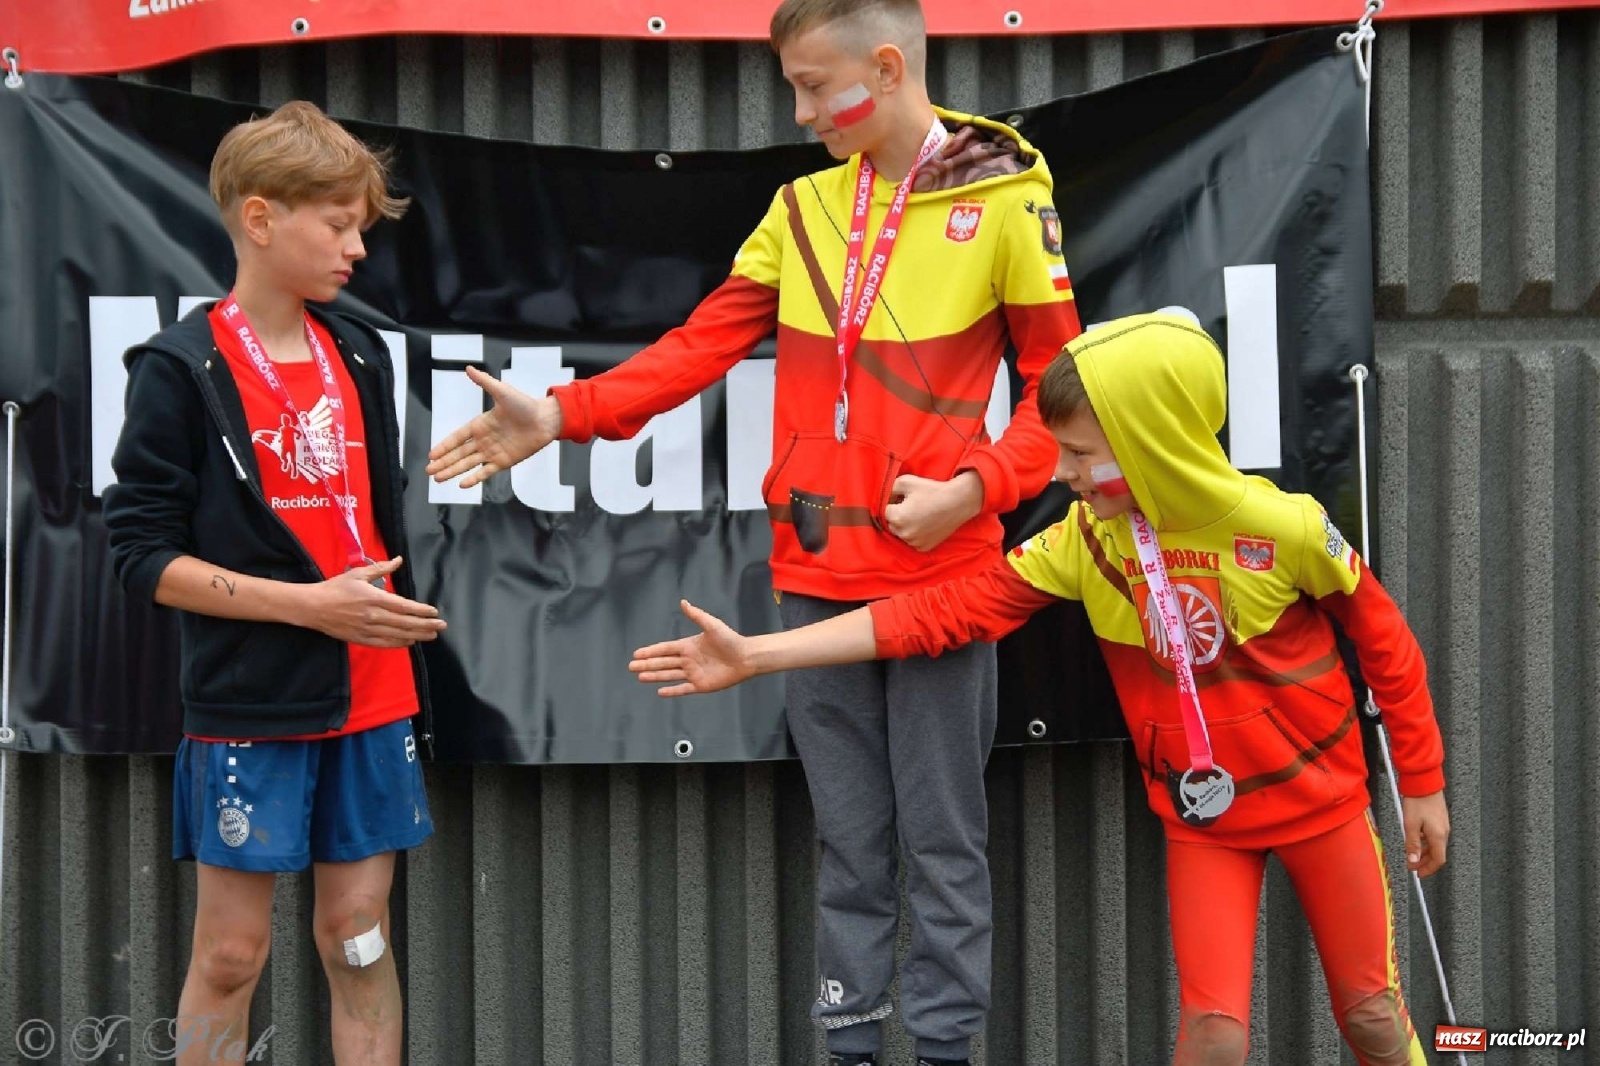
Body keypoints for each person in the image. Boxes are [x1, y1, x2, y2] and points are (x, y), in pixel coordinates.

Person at [425, 1, 1081, 1059]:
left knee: (944, 843)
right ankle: (852, 1047)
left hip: (938, 573)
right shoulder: (801, 206)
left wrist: (978, 488)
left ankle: (946, 1052)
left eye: (816, 85)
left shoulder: (1003, 191)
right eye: (792, 86)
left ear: (885, 63)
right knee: (852, 844)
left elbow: (1061, 384)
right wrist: (561, 415)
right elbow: (699, 346)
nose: (800, 108)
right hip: (814, 568)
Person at [630, 313, 1450, 1066]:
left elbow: (1388, 644)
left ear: (1155, 440)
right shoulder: (1083, 545)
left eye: (1083, 454)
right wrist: (758, 655)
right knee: (1214, 1035)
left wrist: (1421, 783)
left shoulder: (1287, 528)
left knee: (1373, 1014)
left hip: (1326, 806)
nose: (1063, 476)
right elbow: (936, 615)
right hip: (1207, 823)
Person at [104, 101, 444, 1066]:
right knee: (229, 953)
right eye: (337, 225)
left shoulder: (363, 353)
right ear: (260, 219)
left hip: (376, 698)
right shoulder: (180, 367)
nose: (356, 251)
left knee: (359, 935)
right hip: (252, 699)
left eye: (361, 230)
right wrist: (310, 606)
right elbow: (139, 555)